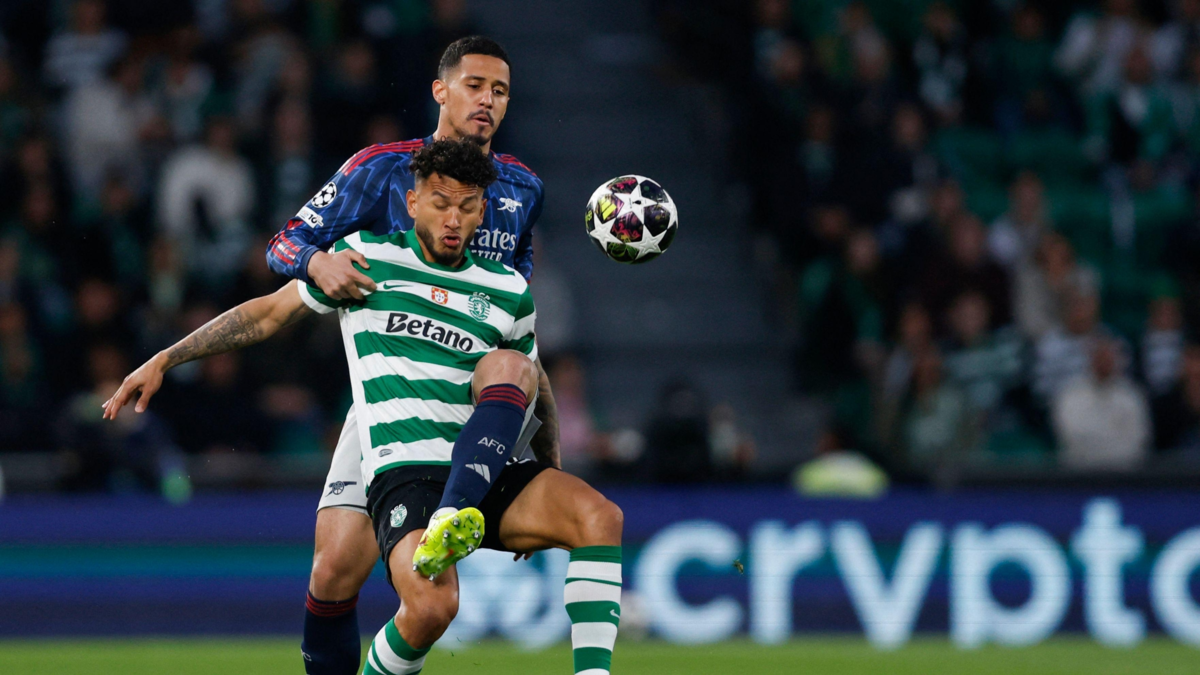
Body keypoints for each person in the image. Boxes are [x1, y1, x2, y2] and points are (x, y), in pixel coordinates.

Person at [104, 139, 623, 675]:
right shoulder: (366, 258)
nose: (453, 219)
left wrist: (548, 468)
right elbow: (268, 314)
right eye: (441, 203)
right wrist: (166, 358)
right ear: (413, 202)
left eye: (467, 207)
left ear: (483, 211)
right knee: (431, 607)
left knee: (598, 514)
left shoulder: (507, 288)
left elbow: (531, 385)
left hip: (485, 468)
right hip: (409, 471)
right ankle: (445, 521)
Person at [264, 36, 560, 674]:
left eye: (500, 91)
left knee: (429, 598)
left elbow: (518, 317)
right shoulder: (382, 169)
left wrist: (542, 458)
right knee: (333, 569)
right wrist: (316, 262)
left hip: (476, 406)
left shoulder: (524, 187)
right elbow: (286, 242)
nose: (487, 101)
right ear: (440, 91)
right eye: (474, 86)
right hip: (394, 389)